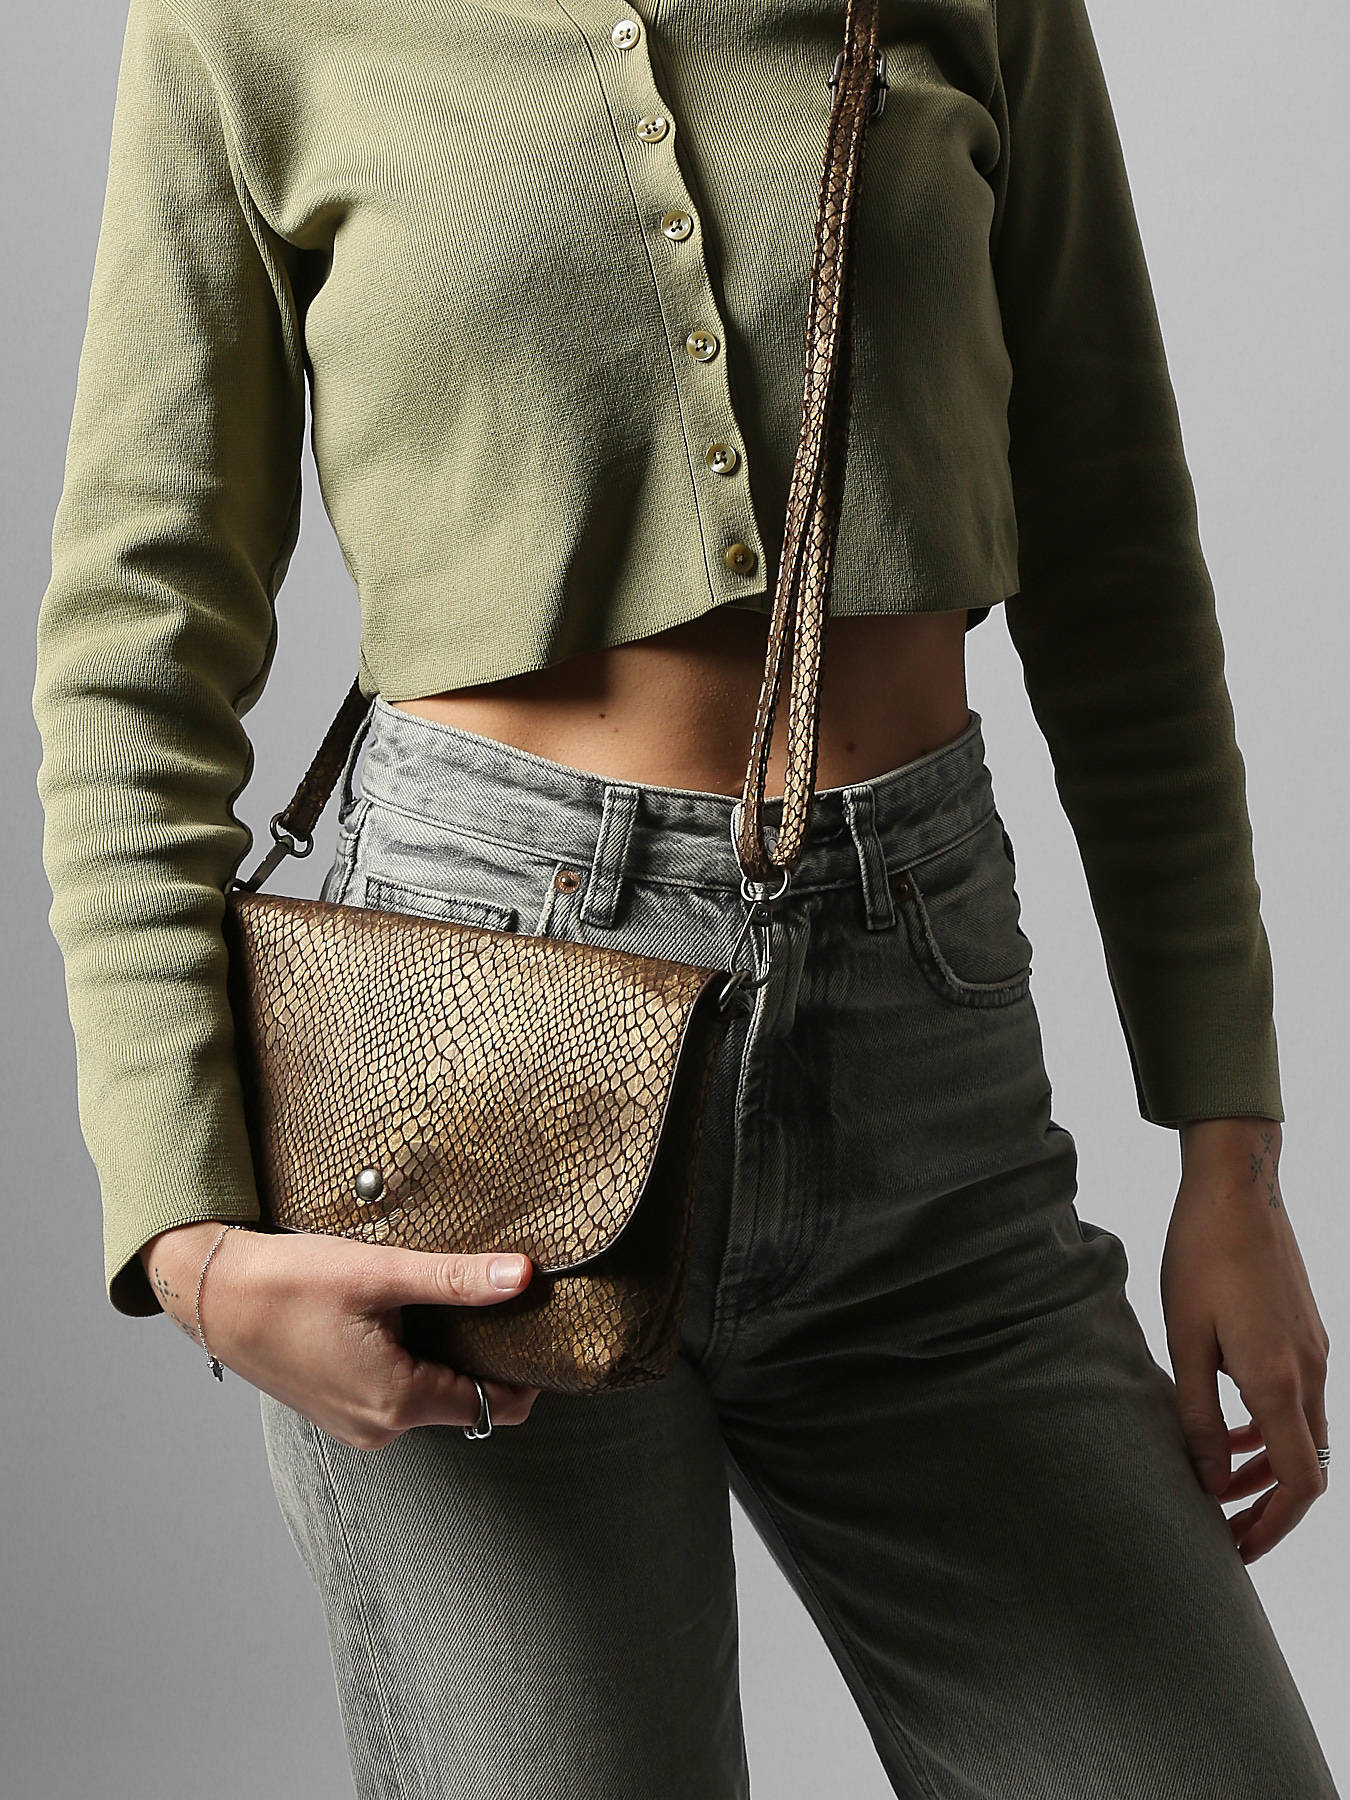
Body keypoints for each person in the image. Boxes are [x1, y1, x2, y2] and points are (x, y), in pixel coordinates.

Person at [31, 0, 1337, 1794]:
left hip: (924, 1069)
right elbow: (136, 645)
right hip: (461, 1081)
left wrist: (1229, 1162)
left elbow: (1121, 575)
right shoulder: (240, 19)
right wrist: (184, 1236)